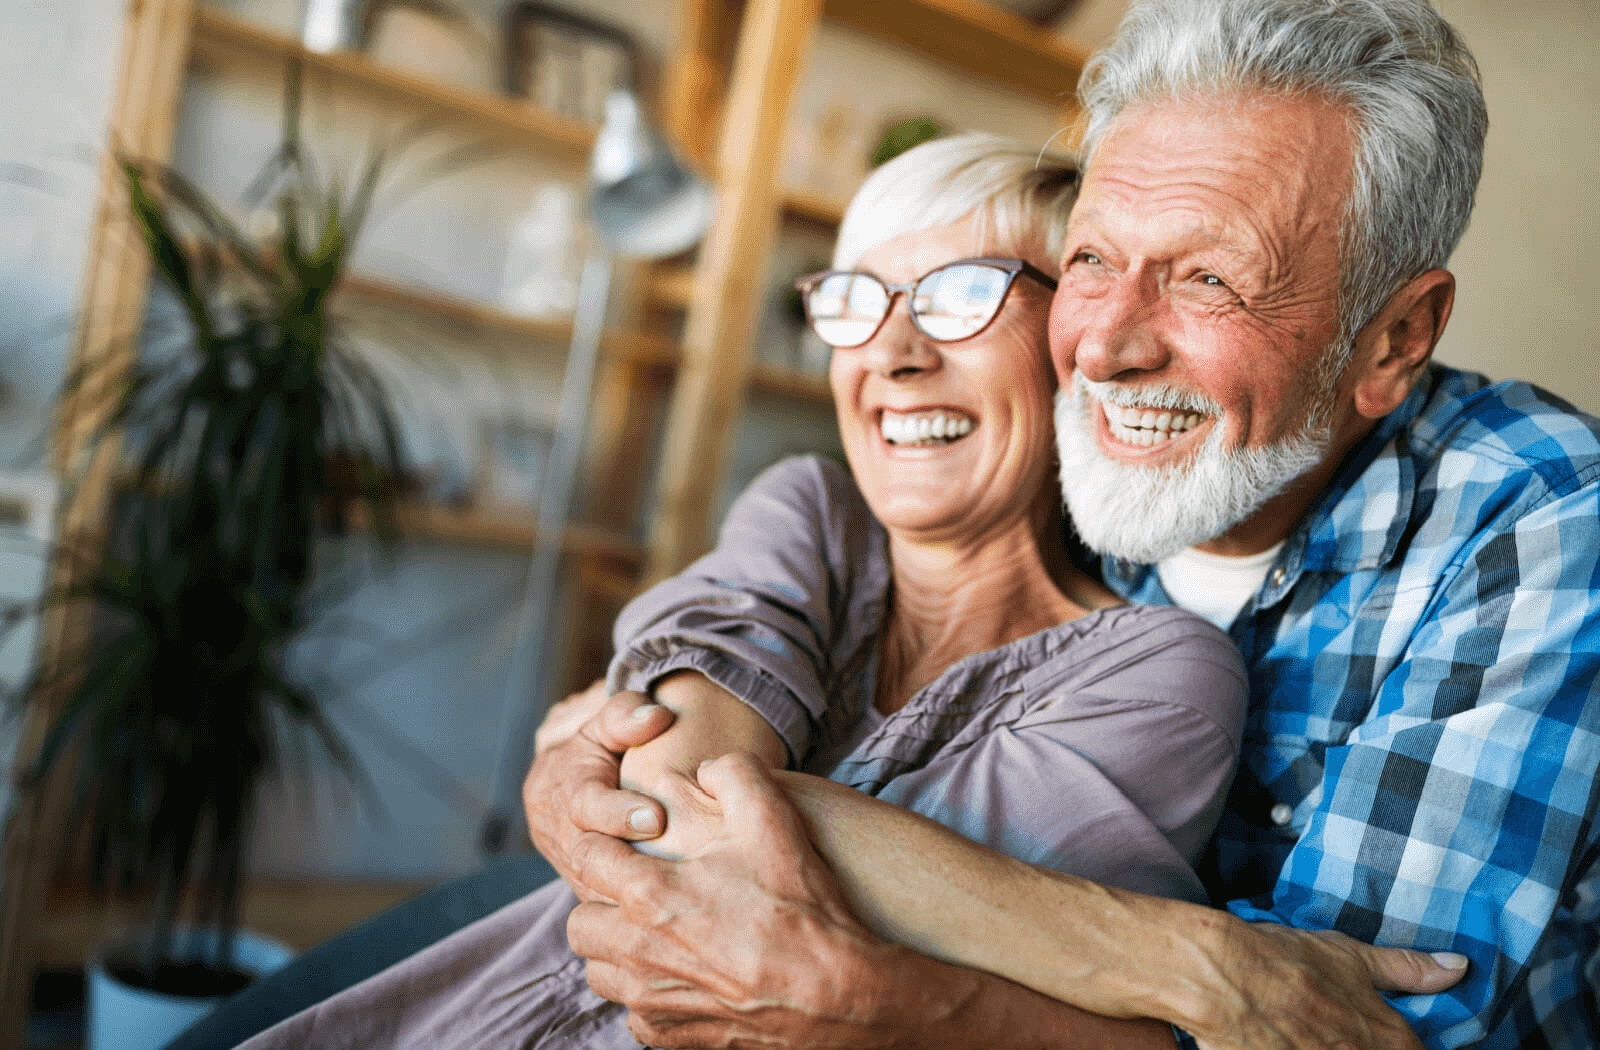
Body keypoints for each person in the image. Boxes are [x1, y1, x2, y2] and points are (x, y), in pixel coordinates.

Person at [538, 1, 1600, 1048]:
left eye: (1208, 278)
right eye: (1092, 261)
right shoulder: (1059, 473)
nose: (1103, 347)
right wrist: (1185, 961)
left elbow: (1349, 1029)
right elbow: (709, 674)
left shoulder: (1542, 515)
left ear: (1394, 339)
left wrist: (898, 1004)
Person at [235, 134, 1252, 1049]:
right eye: (859, 301)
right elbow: (660, 813)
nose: (893, 355)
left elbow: (773, 901)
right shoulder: (807, 509)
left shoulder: (1161, 673)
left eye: (959, 293)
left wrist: (601, 733)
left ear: (1071, 345)